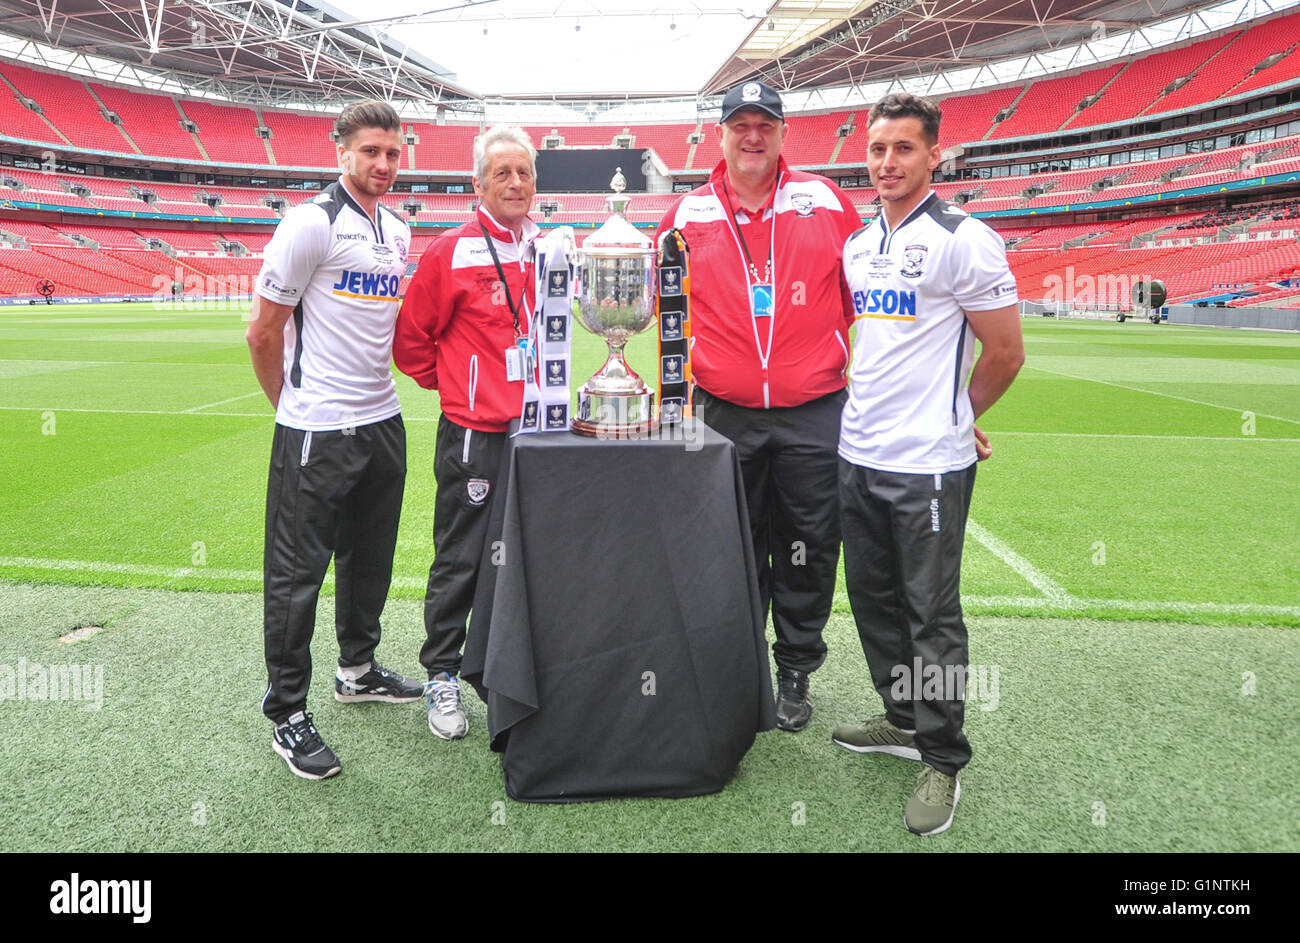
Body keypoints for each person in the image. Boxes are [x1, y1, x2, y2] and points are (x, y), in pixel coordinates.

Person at [833, 92, 1024, 835]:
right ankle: (903, 716)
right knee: (874, 599)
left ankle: (942, 756)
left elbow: (1005, 353)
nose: (887, 162)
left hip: (929, 468)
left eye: (903, 149)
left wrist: (961, 417)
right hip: (859, 452)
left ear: (933, 155)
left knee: (932, 614)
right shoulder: (857, 243)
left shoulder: (964, 238)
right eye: (878, 149)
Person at [655, 81, 861, 732]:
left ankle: (796, 667)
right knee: (728, 543)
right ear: (719, 135)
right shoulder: (688, 215)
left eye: (763, 124)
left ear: (782, 133)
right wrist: (675, 403)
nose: (752, 136)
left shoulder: (825, 201)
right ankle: (738, 664)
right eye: (739, 124)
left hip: (814, 407)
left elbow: (866, 302)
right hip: (724, 408)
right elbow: (665, 313)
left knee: (809, 542)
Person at [247, 99, 423, 780]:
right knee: (297, 577)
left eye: (393, 152)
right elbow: (262, 331)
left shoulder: (399, 232)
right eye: (371, 151)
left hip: (382, 420)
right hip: (317, 429)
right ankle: (287, 713)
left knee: (369, 558)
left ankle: (358, 669)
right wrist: (291, 410)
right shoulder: (309, 224)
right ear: (341, 153)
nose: (384, 164)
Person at [393, 125, 539, 740]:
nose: (514, 183)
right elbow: (410, 342)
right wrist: (460, 389)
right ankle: (442, 674)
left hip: (535, 431)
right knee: (462, 556)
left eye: (524, 172)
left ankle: (513, 671)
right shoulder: (451, 250)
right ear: (477, 183)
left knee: (528, 556)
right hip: (475, 433)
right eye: (501, 172)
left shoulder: (547, 247)